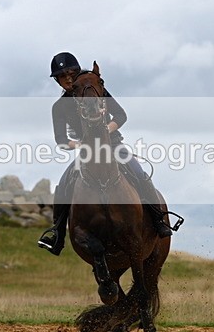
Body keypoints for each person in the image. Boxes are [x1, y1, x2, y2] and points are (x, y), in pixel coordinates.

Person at [37, 52, 176, 256]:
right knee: (63, 185)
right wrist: (80, 145)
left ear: (77, 73)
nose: (66, 78)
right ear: (57, 80)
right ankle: (57, 234)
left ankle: (158, 220)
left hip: (113, 145)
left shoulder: (95, 90)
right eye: (61, 76)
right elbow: (60, 139)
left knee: (139, 174)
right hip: (85, 153)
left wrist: (106, 131)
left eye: (70, 73)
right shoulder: (59, 107)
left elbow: (121, 115)